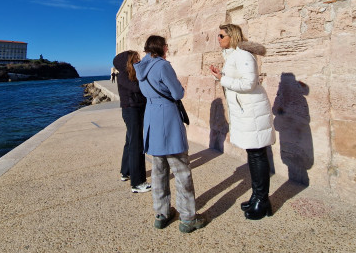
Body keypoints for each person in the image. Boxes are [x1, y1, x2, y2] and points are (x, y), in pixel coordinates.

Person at [134, 35, 207, 233]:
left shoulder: (140, 67)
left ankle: (161, 213)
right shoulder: (163, 66)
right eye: (166, 45)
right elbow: (177, 93)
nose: (167, 48)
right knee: (181, 170)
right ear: (161, 47)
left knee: (159, 171)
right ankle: (188, 217)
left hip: (152, 118)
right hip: (167, 117)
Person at [209, 24, 276, 220]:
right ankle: (257, 197)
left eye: (221, 35)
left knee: (257, 154)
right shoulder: (232, 55)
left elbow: (249, 83)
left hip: (251, 111)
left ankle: (262, 201)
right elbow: (236, 79)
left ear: (232, 35)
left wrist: (223, 80)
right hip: (245, 111)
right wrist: (220, 75)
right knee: (254, 154)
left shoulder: (244, 55)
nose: (218, 39)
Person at [113, 51, 151, 193]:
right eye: (135, 58)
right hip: (131, 111)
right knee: (136, 145)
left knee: (130, 141)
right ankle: (138, 182)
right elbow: (137, 88)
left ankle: (126, 172)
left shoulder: (131, 74)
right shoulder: (123, 75)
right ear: (128, 61)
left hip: (134, 110)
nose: (138, 60)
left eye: (138, 58)